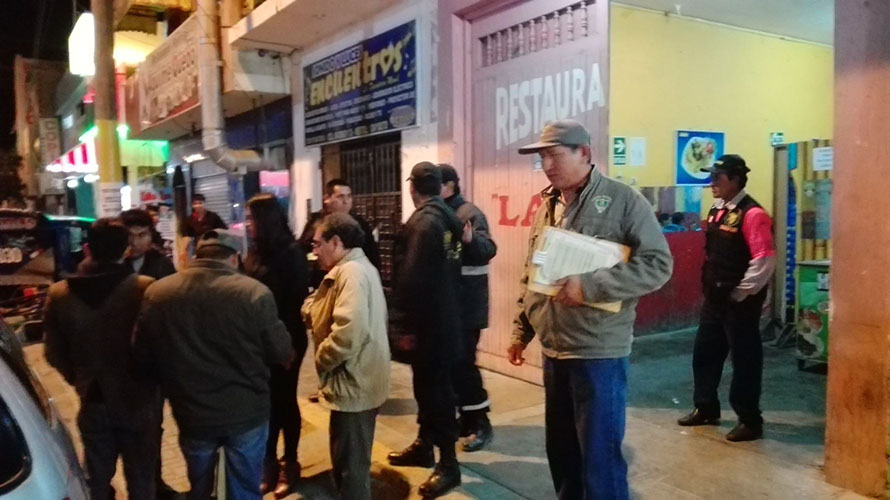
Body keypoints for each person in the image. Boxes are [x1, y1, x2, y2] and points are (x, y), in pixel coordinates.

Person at [510, 120, 673, 499]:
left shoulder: (624, 200)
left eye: (554, 155)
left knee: (599, 460)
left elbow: (658, 265)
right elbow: (534, 272)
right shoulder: (548, 204)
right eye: (542, 158)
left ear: (584, 152)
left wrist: (589, 286)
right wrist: (522, 329)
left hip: (598, 351)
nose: (547, 165)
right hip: (555, 349)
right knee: (563, 454)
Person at [134, 229, 294, 500]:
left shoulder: (159, 293)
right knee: (244, 488)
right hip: (245, 412)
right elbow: (281, 351)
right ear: (234, 258)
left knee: (200, 487)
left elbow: (142, 355)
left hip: (193, 413)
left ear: (196, 257)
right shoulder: (253, 293)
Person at [44, 218, 161, 500]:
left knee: (95, 480)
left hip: (93, 398)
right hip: (139, 399)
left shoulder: (59, 294)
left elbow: (52, 352)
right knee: (142, 480)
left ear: (88, 248)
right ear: (125, 249)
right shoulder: (145, 289)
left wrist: (80, 378)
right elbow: (160, 344)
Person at [678, 154, 775, 442]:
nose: (712, 182)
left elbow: (764, 260)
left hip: (739, 302)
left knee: (745, 361)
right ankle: (706, 407)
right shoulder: (717, 210)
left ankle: (750, 420)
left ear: (735, 179)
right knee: (705, 354)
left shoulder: (753, 214)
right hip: (715, 299)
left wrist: (741, 292)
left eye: (717, 177)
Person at [387, 162, 464, 498]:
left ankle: (448, 465)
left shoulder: (423, 223)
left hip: (428, 327)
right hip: (444, 320)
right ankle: (424, 445)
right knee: (428, 390)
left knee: (437, 395)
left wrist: (402, 326)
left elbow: (411, 279)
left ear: (412, 188)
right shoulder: (449, 218)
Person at [302, 213, 391, 499]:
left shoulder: (351, 273)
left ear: (337, 242)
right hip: (355, 380)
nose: (314, 252)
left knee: (352, 467)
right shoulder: (350, 268)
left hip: (355, 381)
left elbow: (348, 333)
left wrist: (321, 359)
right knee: (347, 459)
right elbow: (318, 307)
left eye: (318, 244)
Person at [243, 194, 310, 497]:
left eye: (251, 218)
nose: (247, 224)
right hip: (259, 343)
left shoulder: (291, 253)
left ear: (265, 219)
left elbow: (294, 304)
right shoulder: (255, 252)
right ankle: (268, 461)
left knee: (285, 400)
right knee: (266, 402)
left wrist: (283, 347)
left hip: (286, 339)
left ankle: (290, 462)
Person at [438, 163, 498, 452]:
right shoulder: (440, 214)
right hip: (448, 308)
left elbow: (488, 250)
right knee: (451, 367)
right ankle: (465, 417)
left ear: (448, 185)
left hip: (466, 309)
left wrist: (471, 239)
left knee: (464, 365)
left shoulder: (469, 213)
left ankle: (480, 422)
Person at [122, 209, 176, 280]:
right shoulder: (112, 264)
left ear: (151, 236)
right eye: (129, 235)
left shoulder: (163, 265)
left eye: (142, 235)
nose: (135, 242)